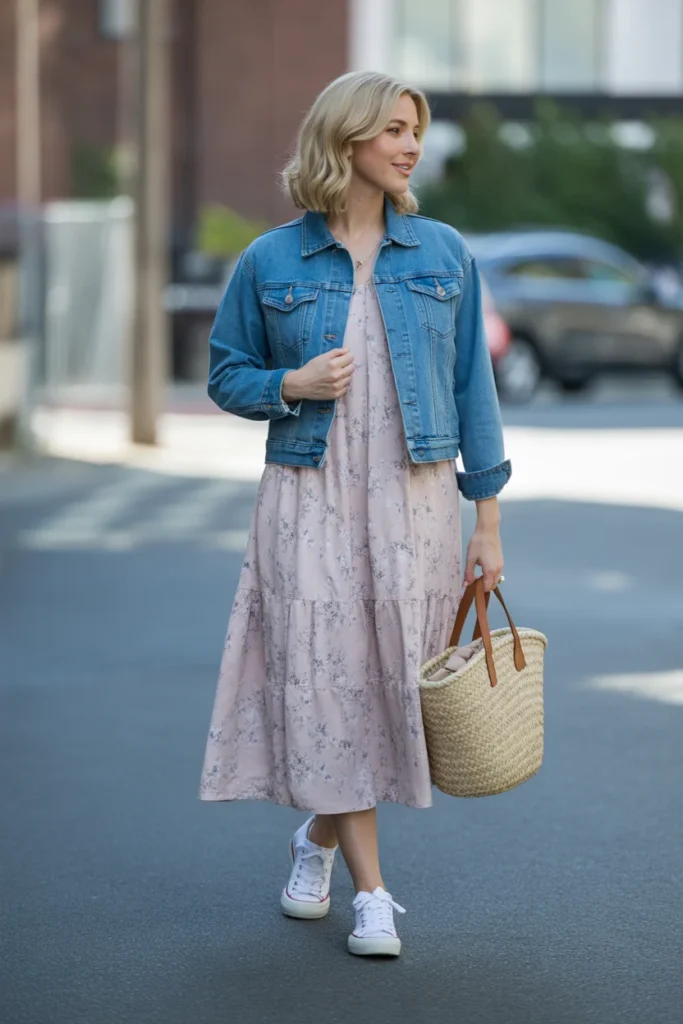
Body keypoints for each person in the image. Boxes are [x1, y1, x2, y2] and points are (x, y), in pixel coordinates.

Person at [199, 70, 511, 958]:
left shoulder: (443, 254)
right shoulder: (270, 260)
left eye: (416, 129)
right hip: (309, 496)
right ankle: (372, 895)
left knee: (386, 689)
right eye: (394, 129)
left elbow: (471, 392)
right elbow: (225, 374)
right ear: (344, 141)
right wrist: (286, 385)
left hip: (413, 499)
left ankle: (318, 841)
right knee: (334, 682)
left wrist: (484, 520)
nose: (411, 145)